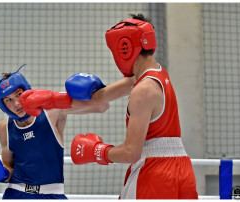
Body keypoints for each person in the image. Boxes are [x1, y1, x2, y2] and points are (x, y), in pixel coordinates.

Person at [69, 13, 199, 199]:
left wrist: (98, 151)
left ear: (125, 48)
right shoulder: (156, 75)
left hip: (155, 171)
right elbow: (100, 98)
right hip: (182, 169)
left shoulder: (143, 89)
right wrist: (54, 100)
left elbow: (130, 153)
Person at [0, 64, 111, 199]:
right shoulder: (4, 128)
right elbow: (9, 165)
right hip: (16, 194)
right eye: (8, 100)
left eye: (18, 94)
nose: (17, 103)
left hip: (52, 195)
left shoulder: (51, 112)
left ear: (26, 91)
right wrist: (4, 173)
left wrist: (97, 88)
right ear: (2, 105)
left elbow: (102, 106)